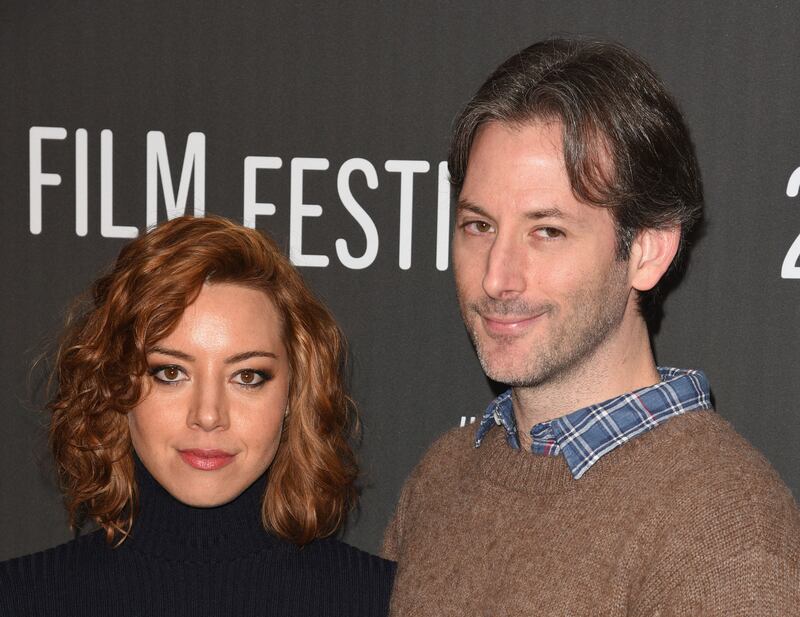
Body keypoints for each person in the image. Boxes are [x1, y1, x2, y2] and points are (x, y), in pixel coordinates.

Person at [383, 37, 800, 615]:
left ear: (648, 251)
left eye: (547, 231)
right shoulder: (440, 480)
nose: (498, 279)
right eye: (478, 226)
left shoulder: (724, 532)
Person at [0, 215, 394, 616]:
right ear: (117, 383)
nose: (208, 416)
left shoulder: (387, 602)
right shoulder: (19, 597)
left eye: (246, 376)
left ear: (294, 392)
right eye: (171, 372)